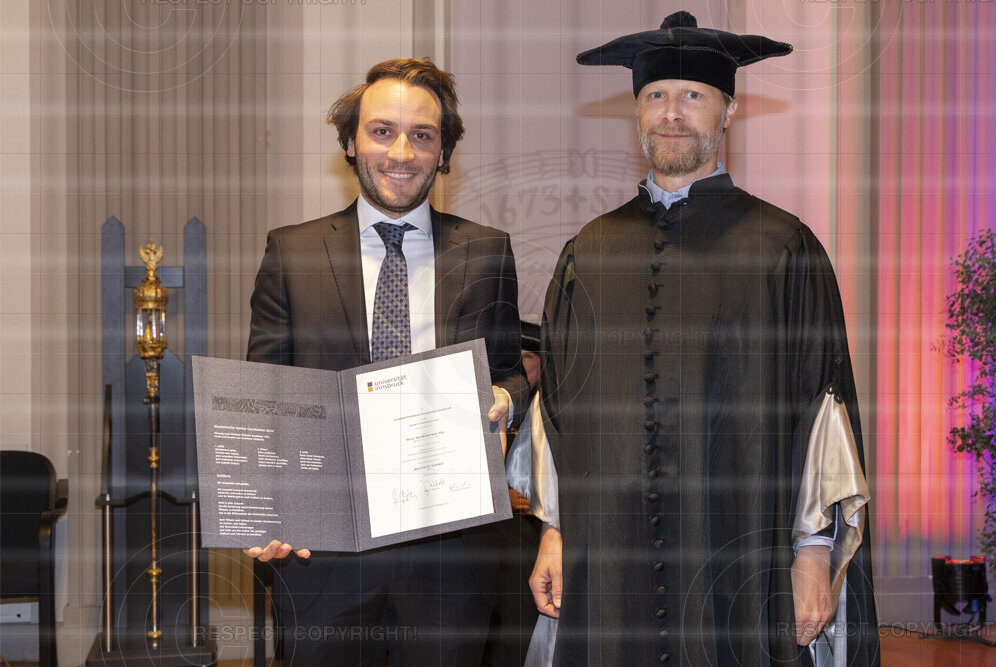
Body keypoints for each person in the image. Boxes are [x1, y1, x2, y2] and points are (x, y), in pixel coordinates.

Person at [528, 12, 879, 667]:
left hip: (739, 552)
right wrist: (555, 531)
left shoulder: (783, 248)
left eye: (692, 95)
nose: (671, 112)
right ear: (637, 111)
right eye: (656, 95)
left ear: (728, 110)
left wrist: (812, 552)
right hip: (612, 560)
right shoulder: (590, 252)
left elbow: (819, 408)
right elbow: (559, 411)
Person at [243, 57, 528, 666]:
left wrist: (505, 399)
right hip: (323, 550)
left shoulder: (486, 252)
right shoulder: (291, 252)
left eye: (422, 135)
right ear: (351, 142)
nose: (401, 152)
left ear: (443, 152)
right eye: (382, 131)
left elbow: (509, 370)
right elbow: (265, 396)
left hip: (451, 550)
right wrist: (261, 508)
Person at [484, 321, 559, 667]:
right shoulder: (493, 405)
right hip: (499, 535)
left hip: (536, 536)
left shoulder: (550, 412)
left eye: (528, 356)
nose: (521, 363)